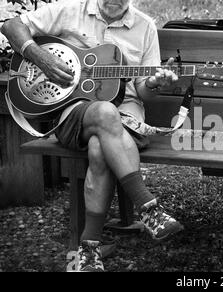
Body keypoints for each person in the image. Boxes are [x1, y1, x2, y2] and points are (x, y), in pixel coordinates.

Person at [1, 0, 184, 272]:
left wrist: (155, 84)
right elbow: (10, 25)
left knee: (100, 147)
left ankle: (89, 249)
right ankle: (148, 208)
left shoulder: (144, 27)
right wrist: (42, 58)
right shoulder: (68, 10)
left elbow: (143, 91)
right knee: (106, 112)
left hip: (128, 111)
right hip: (73, 112)